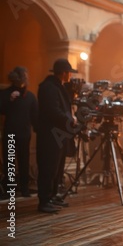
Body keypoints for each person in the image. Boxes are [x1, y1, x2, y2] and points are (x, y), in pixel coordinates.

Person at [36, 59, 78, 213]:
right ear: (64, 73)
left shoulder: (57, 86)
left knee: (56, 168)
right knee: (48, 168)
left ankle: (52, 197)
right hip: (50, 136)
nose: (70, 76)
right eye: (69, 72)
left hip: (58, 136)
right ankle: (44, 201)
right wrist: (70, 119)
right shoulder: (48, 87)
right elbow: (52, 110)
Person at [0, 67, 38, 198]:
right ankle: (9, 188)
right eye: (24, 76)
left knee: (24, 161)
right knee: (9, 161)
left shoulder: (30, 96)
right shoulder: (5, 93)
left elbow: (35, 116)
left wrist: (39, 130)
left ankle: (24, 188)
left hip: (24, 134)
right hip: (10, 132)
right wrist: (9, 100)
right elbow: (2, 109)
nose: (27, 79)